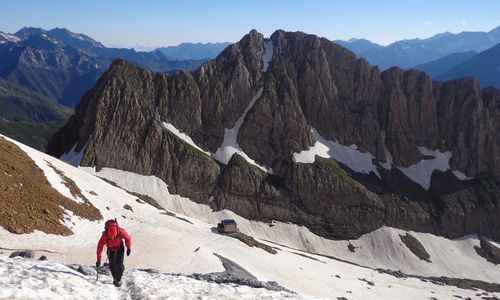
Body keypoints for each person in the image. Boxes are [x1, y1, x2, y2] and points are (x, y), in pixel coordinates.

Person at [96, 219, 131, 287]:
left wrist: (128, 247)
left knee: (119, 266)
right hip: (110, 249)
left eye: (113, 237)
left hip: (119, 248)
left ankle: (118, 280)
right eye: (110, 237)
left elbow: (127, 238)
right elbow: (99, 247)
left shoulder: (120, 231)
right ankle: (115, 278)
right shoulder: (105, 235)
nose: (112, 238)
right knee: (112, 265)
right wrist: (98, 260)